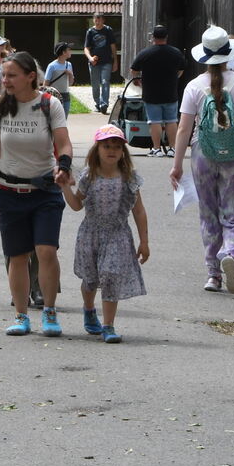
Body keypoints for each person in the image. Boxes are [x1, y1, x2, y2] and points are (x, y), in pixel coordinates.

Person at [0, 51, 74, 337]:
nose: (5, 80)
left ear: (31, 77)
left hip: (45, 191)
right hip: (10, 192)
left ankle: (49, 312)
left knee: (46, 251)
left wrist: (64, 166)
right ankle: (21, 316)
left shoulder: (49, 104)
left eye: (11, 76)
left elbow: (64, 143)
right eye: (4, 75)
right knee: (17, 256)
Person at [170, 26, 234, 295]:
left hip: (203, 154)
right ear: (228, 54)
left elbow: (183, 129)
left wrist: (176, 165)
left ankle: (213, 275)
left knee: (208, 214)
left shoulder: (193, 86)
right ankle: (231, 254)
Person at [58, 124, 149, 344]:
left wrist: (144, 242)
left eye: (117, 147)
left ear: (123, 152)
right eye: (106, 146)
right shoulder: (89, 176)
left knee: (110, 276)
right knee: (90, 279)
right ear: (97, 149)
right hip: (90, 234)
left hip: (117, 235)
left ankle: (109, 325)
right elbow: (77, 205)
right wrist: (65, 187)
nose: (112, 151)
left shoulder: (129, 177)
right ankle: (89, 309)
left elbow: (138, 211)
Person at [128, 24, 186, 157]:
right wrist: (174, 78)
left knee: (154, 122)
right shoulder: (176, 53)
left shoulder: (145, 53)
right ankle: (172, 149)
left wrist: (137, 80)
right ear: (166, 37)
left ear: (153, 37)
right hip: (170, 92)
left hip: (151, 93)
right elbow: (181, 70)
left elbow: (133, 70)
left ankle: (156, 149)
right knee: (171, 120)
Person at [84, 13, 119, 113]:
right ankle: (98, 103)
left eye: (99, 19)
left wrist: (115, 61)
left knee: (105, 82)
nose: (97, 21)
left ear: (103, 20)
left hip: (107, 61)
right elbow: (86, 48)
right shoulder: (90, 32)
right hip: (94, 63)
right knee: (95, 84)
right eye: (95, 19)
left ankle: (104, 104)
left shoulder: (108, 30)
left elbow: (113, 46)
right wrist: (90, 58)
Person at [44, 42, 75, 116]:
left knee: (64, 118)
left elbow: (70, 83)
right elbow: (46, 83)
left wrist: (70, 74)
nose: (70, 51)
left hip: (66, 95)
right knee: (53, 117)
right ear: (63, 52)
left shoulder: (69, 65)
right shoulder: (52, 66)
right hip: (54, 95)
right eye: (69, 50)